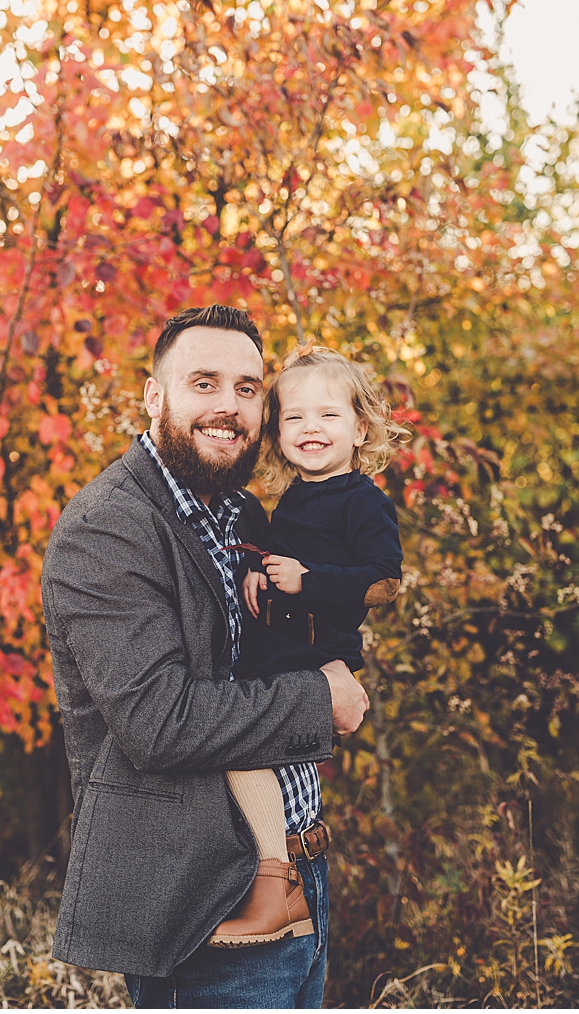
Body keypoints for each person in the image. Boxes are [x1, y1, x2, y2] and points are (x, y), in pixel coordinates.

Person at [41, 305, 369, 1007]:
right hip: (205, 904)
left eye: (248, 389)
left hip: (299, 868)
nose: (229, 406)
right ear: (155, 397)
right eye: (205, 383)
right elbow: (159, 722)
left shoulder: (242, 515)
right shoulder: (106, 528)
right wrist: (321, 698)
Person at [211, 343, 407, 947]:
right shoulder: (294, 497)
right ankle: (277, 876)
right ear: (276, 432)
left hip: (317, 652)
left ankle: (277, 888)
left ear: (361, 427)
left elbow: (384, 581)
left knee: (240, 746)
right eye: (294, 417)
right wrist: (260, 574)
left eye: (328, 415)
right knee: (249, 753)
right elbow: (284, 562)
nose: (310, 428)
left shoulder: (364, 501)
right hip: (285, 647)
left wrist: (308, 582)